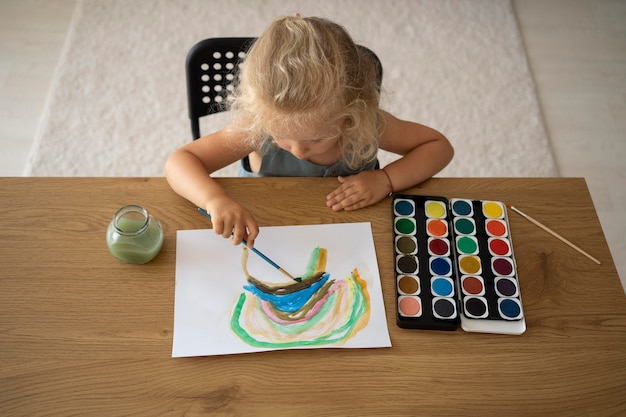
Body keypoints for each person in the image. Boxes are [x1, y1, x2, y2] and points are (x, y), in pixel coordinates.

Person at [165, 14, 453, 249]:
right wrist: (215, 200)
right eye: (280, 135)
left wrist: (386, 179)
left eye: (316, 138)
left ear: (352, 111)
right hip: (265, 226)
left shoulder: (365, 122)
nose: (299, 151)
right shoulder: (255, 125)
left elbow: (438, 146)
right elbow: (180, 161)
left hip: (350, 231)